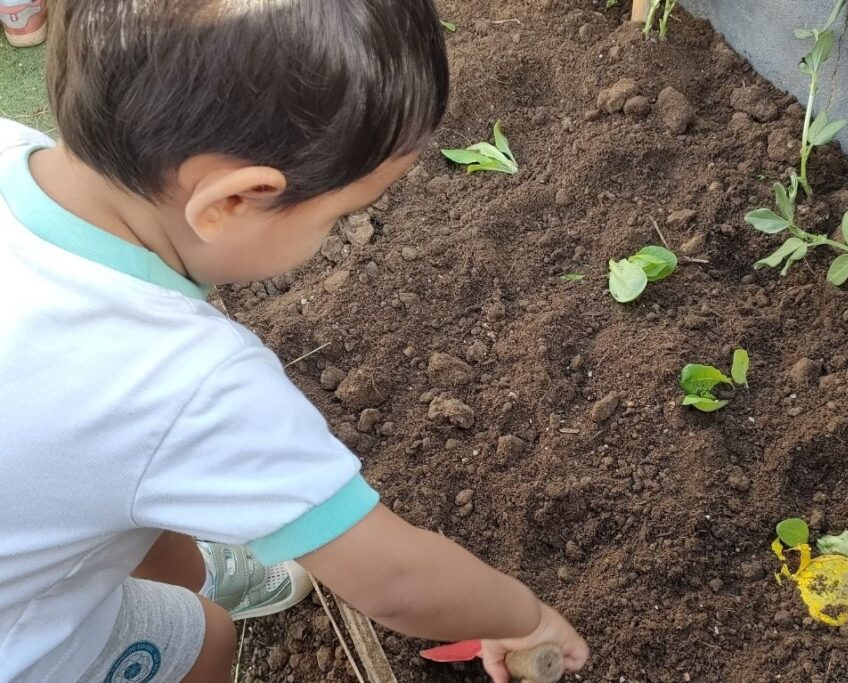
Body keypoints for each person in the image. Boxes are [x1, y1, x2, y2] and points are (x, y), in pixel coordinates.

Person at [0, 1, 589, 682]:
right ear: (231, 202)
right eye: (339, 214)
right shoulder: (187, 383)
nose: (336, 232)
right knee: (204, 640)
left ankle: (191, 573)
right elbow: (394, 579)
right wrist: (523, 616)